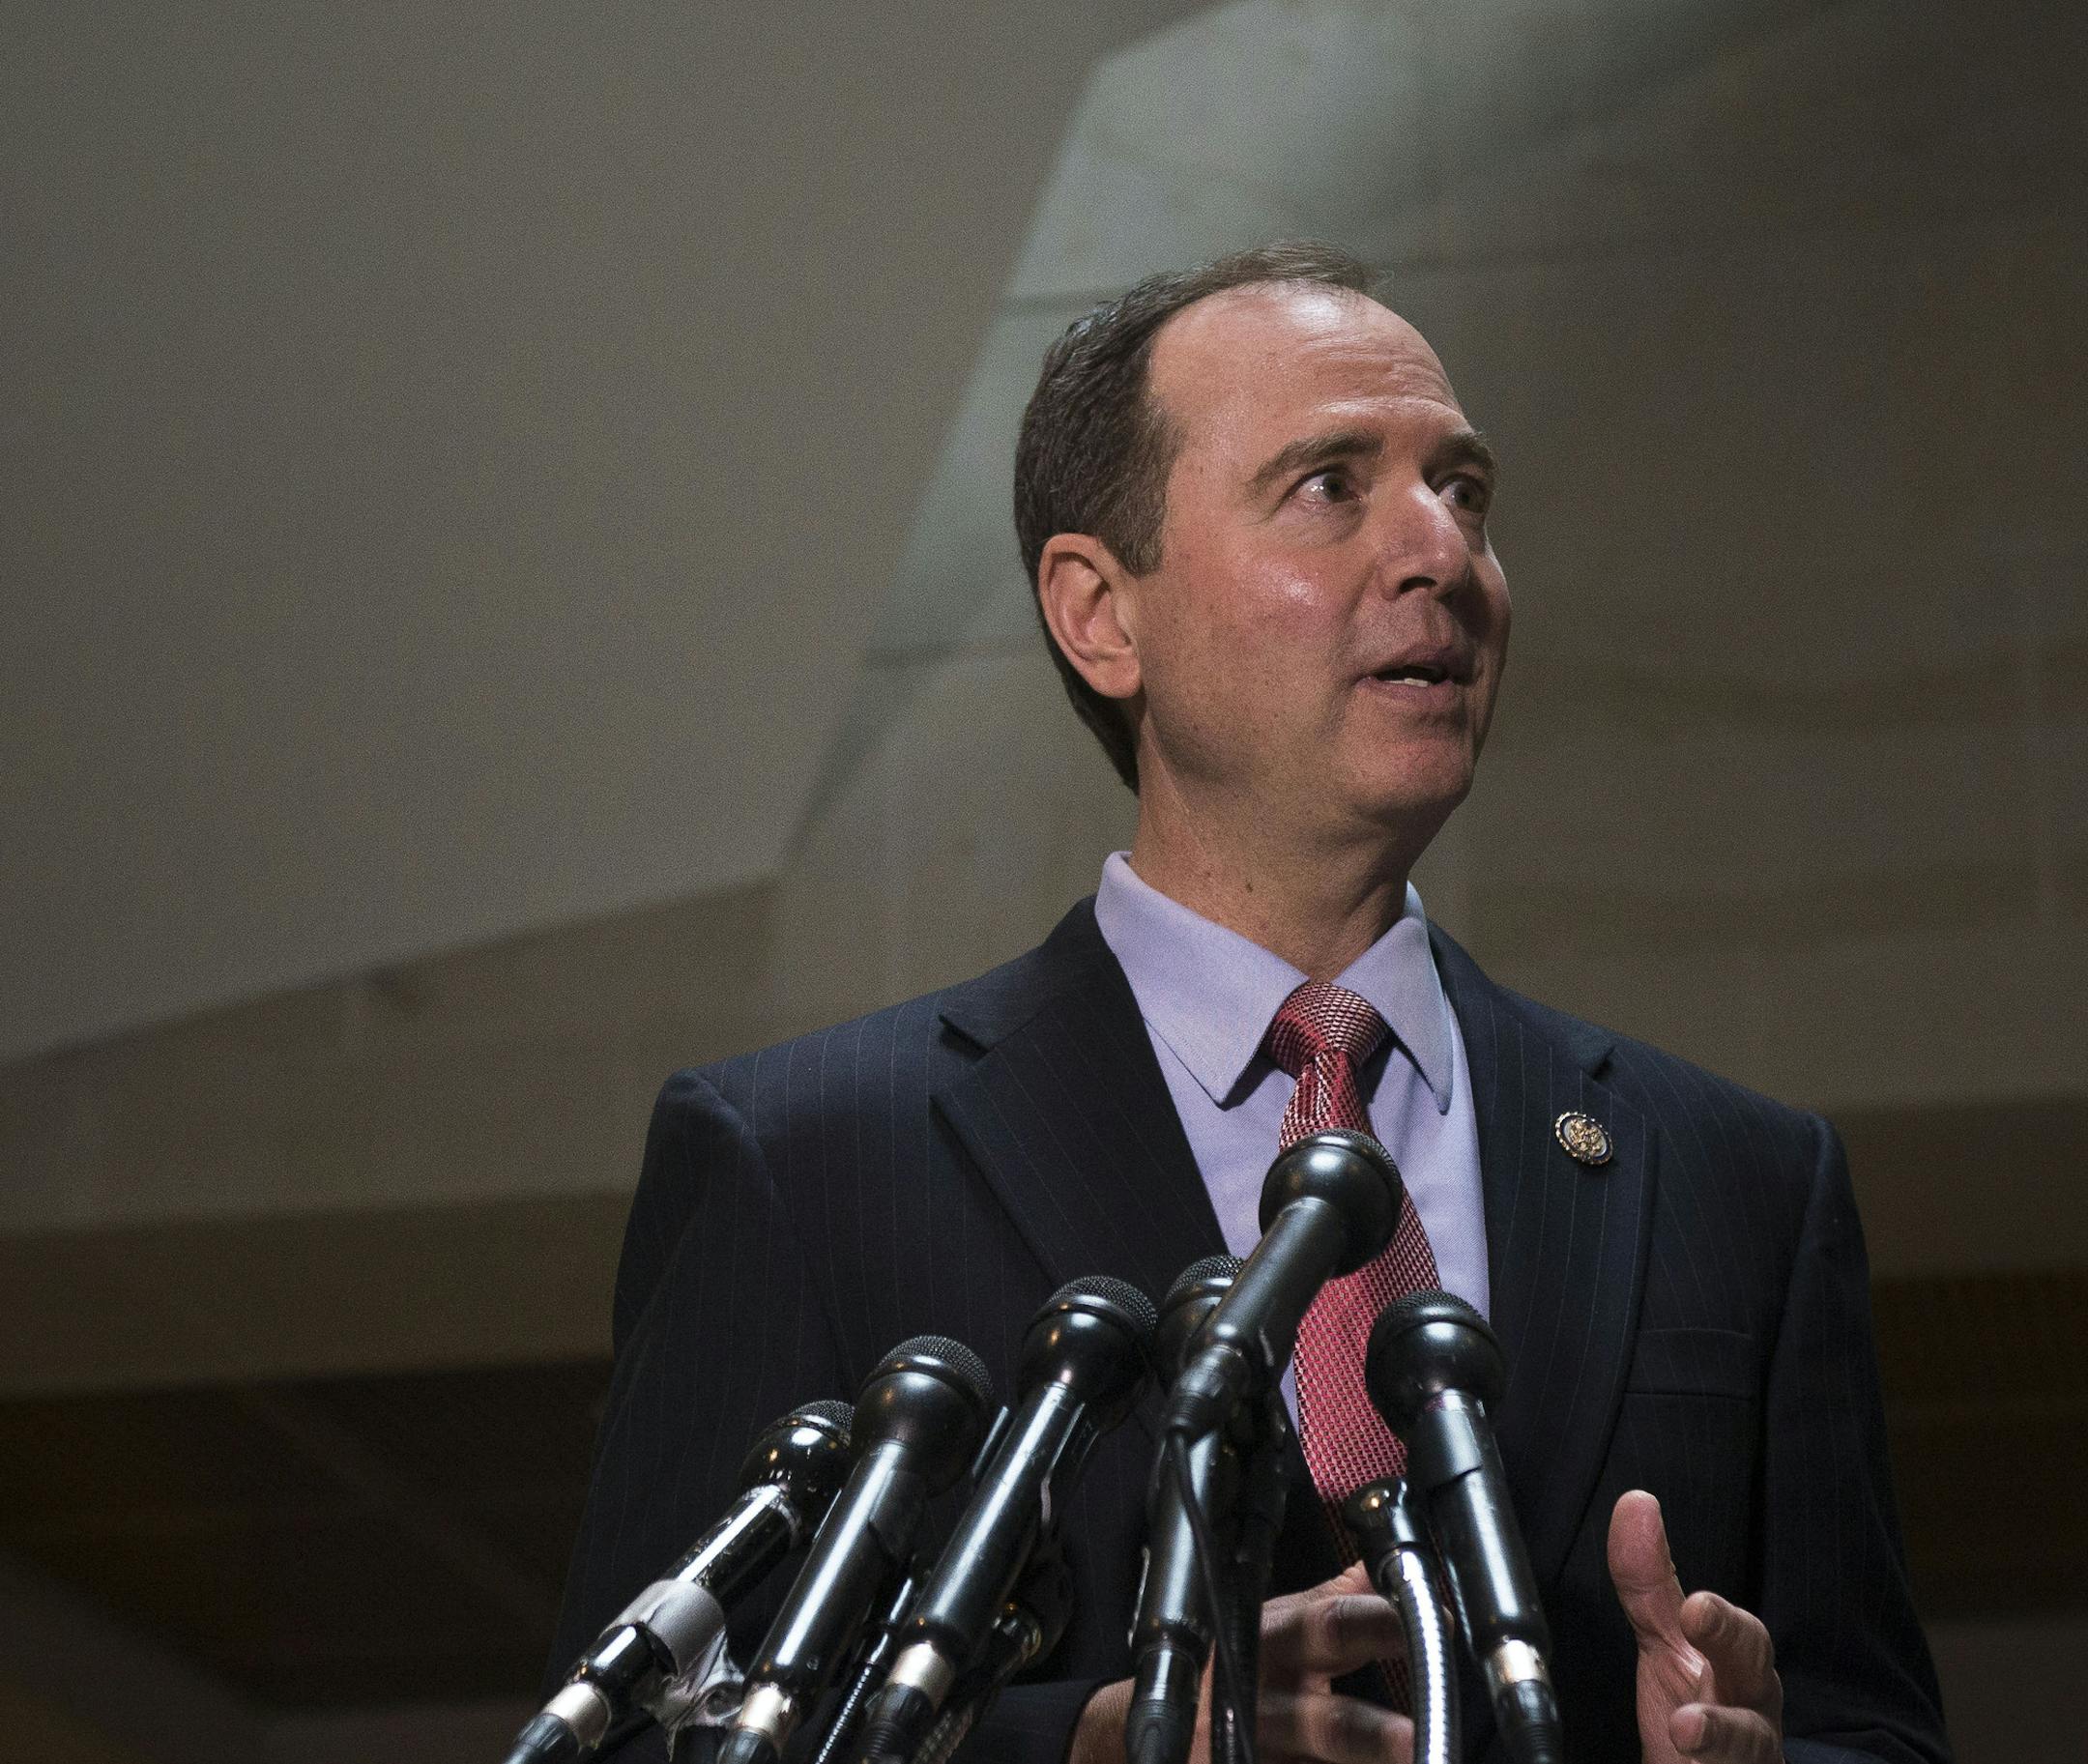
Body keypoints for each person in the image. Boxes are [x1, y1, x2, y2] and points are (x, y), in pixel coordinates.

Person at [545, 243, 1950, 1763]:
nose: (1442, 553)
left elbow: (1873, 1726)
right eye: (1332, 485)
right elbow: (639, 1734)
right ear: (1102, 614)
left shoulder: (1741, 1179)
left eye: (1463, 490)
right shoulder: (805, 1161)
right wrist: (1108, 1739)